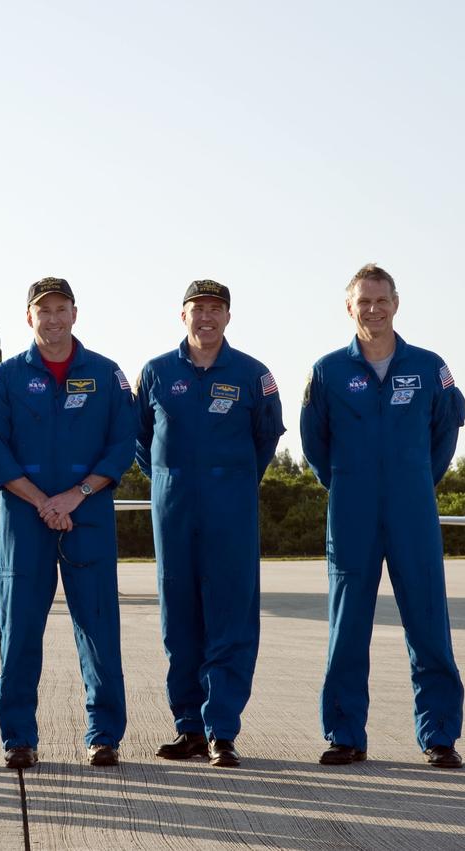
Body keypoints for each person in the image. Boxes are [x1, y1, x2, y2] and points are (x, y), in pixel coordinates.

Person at [300, 263, 465, 769]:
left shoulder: (429, 366)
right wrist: (351, 484)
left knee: (427, 623)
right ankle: (345, 735)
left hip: (412, 510)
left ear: (396, 304)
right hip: (351, 511)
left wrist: (414, 479)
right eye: (363, 302)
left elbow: (446, 430)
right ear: (348, 307)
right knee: (347, 625)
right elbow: (314, 444)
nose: (373, 309)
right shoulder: (328, 371)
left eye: (381, 300)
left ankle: (439, 735)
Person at [0, 277, 137, 768]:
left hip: (88, 516)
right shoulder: (4, 380)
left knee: (98, 630)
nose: (51, 318)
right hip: (24, 522)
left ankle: (104, 735)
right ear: (30, 318)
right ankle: (18, 738)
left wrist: (75, 495)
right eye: (42, 310)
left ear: (74, 313)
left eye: (60, 308)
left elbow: (121, 445)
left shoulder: (108, 376)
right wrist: (44, 501)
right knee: (20, 632)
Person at [135, 280, 284, 767]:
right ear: (183, 316)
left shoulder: (252, 374)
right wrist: (169, 481)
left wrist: (232, 481)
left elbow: (266, 439)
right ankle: (189, 729)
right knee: (179, 622)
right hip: (173, 510)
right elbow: (139, 439)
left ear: (227, 317)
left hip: (230, 512)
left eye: (215, 309)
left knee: (230, 619)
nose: (206, 317)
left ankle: (222, 729)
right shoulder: (156, 372)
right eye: (197, 309)